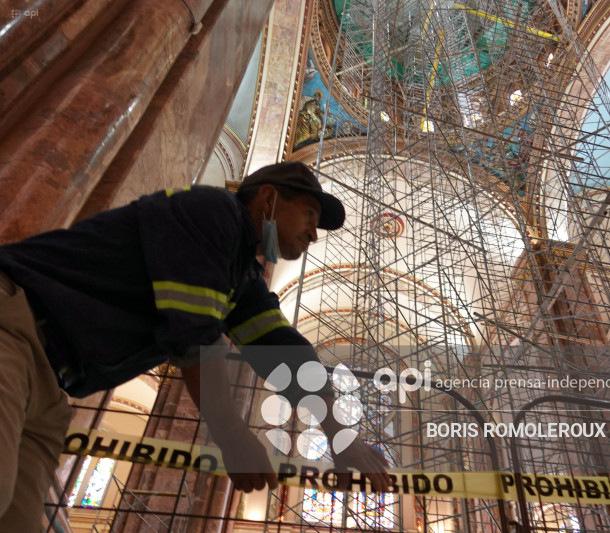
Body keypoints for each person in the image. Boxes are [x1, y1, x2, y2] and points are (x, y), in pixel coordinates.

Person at [0, 161, 389, 531]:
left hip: (51, 386)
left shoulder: (241, 276)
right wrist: (232, 432)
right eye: (308, 214)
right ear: (269, 199)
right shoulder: (212, 211)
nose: (314, 233)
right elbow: (195, 333)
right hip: (15, 326)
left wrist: (340, 435)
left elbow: (285, 352)